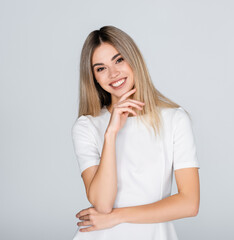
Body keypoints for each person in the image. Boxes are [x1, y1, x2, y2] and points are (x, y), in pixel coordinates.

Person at [71, 25, 200, 240]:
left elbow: (189, 203)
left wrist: (118, 217)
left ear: (134, 59)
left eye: (119, 60)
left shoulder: (174, 119)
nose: (113, 73)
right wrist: (111, 135)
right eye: (100, 68)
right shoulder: (86, 127)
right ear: (93, 77)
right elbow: (102, 204)